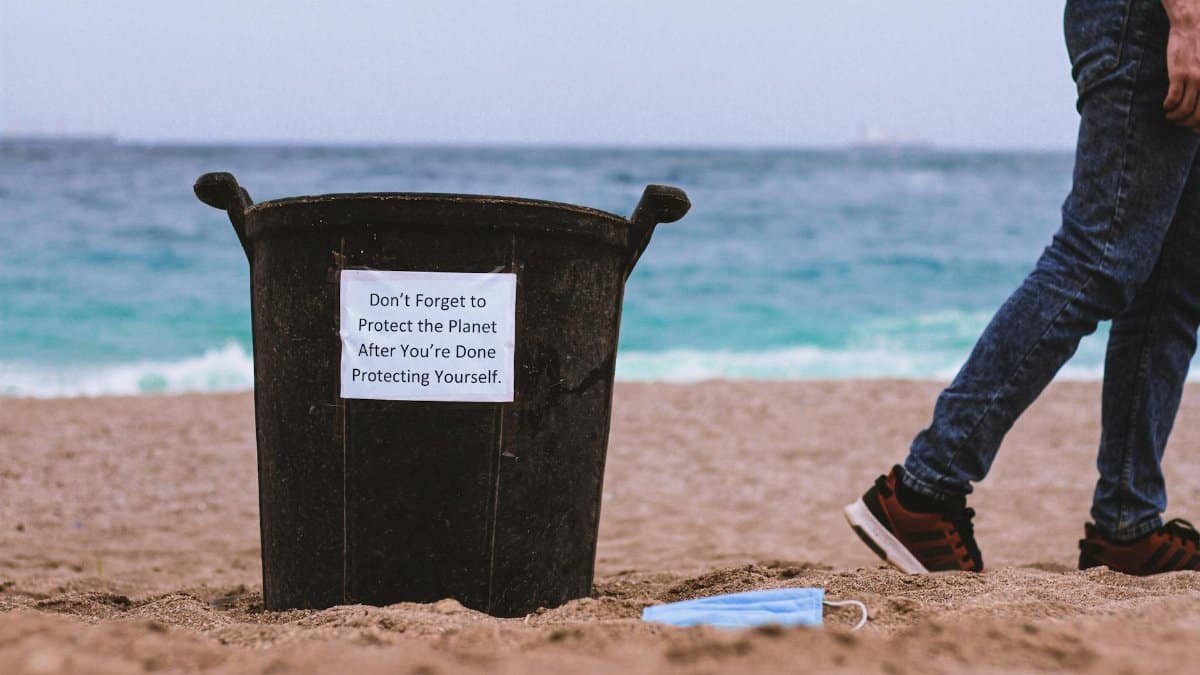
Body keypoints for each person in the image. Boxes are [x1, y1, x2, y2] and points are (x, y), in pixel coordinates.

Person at [845, 0, 1200, 575]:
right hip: (1151, 20)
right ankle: (923, 492)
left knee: (1171, 290)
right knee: (1098, 260)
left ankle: (1127, 527)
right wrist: (1187, 17)